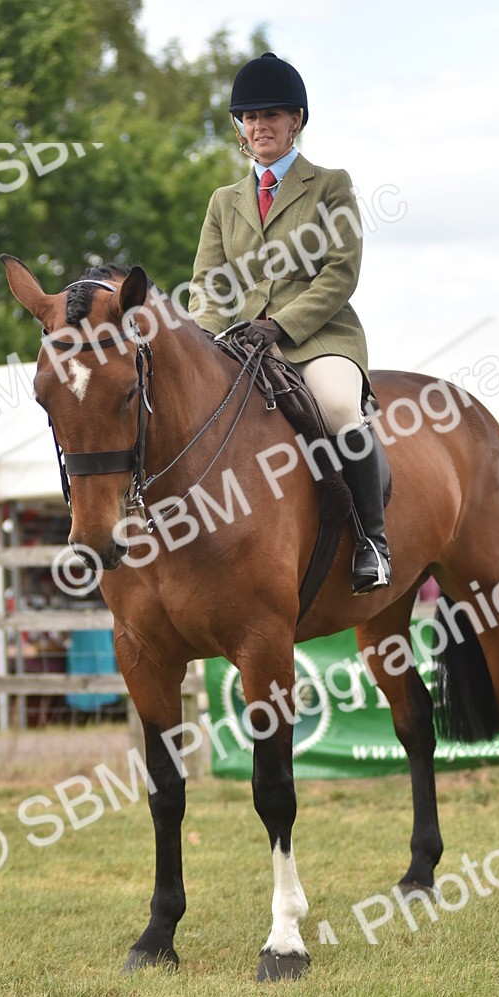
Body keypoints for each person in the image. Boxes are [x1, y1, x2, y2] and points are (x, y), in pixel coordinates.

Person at [189, 51, 391, 593]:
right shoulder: (224, 200)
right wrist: (202, 340)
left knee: (341, 407)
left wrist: (280, 325)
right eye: (250, 118)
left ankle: (373, 539)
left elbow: (340, 273)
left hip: (317, 336)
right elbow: (209, 283)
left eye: (271, 115)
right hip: (243, 342)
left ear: (295, 120)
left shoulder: (328, 184)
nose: (260, 127)